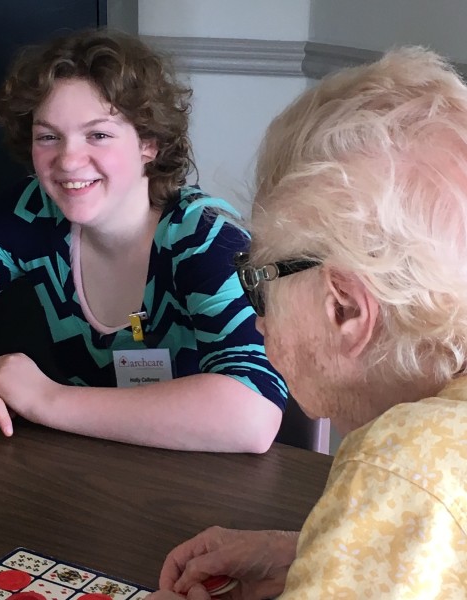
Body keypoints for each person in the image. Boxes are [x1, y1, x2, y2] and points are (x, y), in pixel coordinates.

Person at [0, 29, 287, 452]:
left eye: (98, 135)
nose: (68, 161)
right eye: (48, 136)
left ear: (148, 143)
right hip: (85, 462)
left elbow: (253, 415)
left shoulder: (205, 237)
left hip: (203, 471)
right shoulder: (32, 212)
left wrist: (46, 399)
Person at [150, 46, 467, 599]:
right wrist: (313, 552)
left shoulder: (401, 461)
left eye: (258, 280)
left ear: (345, 309)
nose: (257, 318)